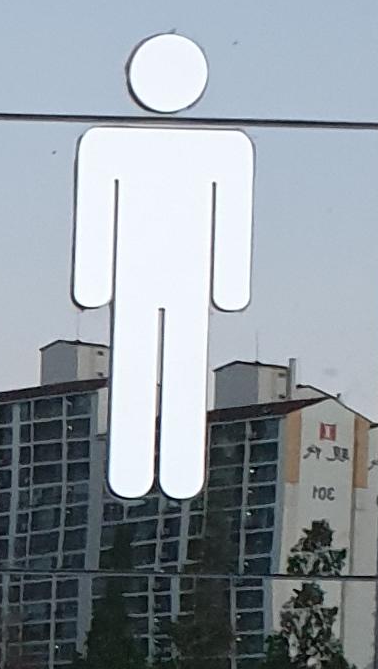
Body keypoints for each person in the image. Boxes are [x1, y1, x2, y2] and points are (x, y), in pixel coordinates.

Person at [70, 32, 252, 503]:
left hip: (169, 279)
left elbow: (232, 221)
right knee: (149, 366)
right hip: (150, 278)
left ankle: (167, 469)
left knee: (168, 367)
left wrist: (93, 284)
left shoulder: (223, 148)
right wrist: (229, 288)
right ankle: (145, 469)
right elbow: (96, 216)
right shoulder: (108, 144)